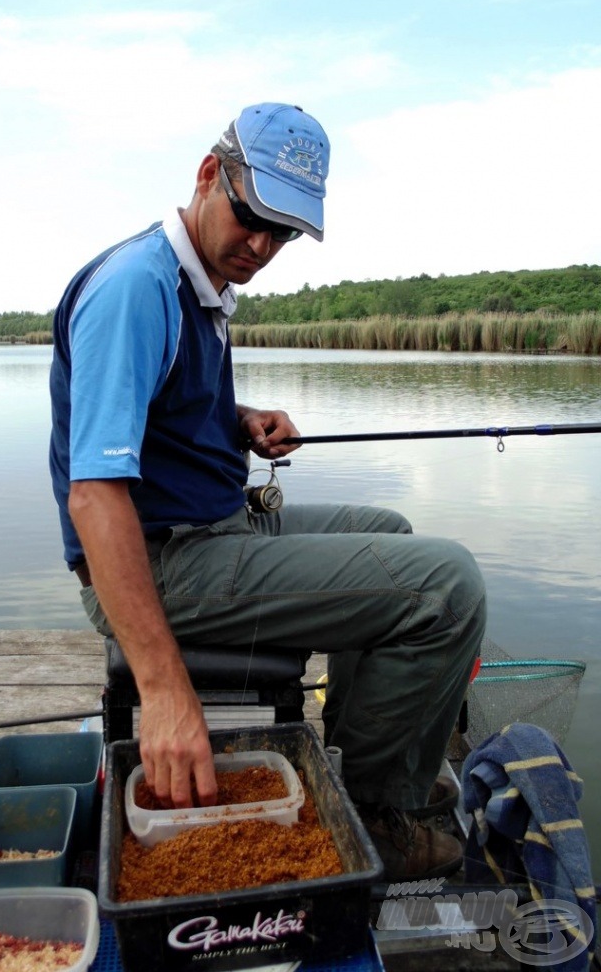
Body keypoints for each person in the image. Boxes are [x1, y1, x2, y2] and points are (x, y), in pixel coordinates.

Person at [49, 102, 487, 880]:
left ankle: (359, 770)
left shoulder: (203, 285)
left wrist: (238, 419)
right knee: (447, 587)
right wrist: (163, 691)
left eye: (283, 232)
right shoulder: (136, 289)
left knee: (392, 529)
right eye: (253, 217)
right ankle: (374, 816)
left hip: (208, 526)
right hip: (163, 561)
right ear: (210, 174)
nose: (261, 245)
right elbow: (95, 497)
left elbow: (160, 417)